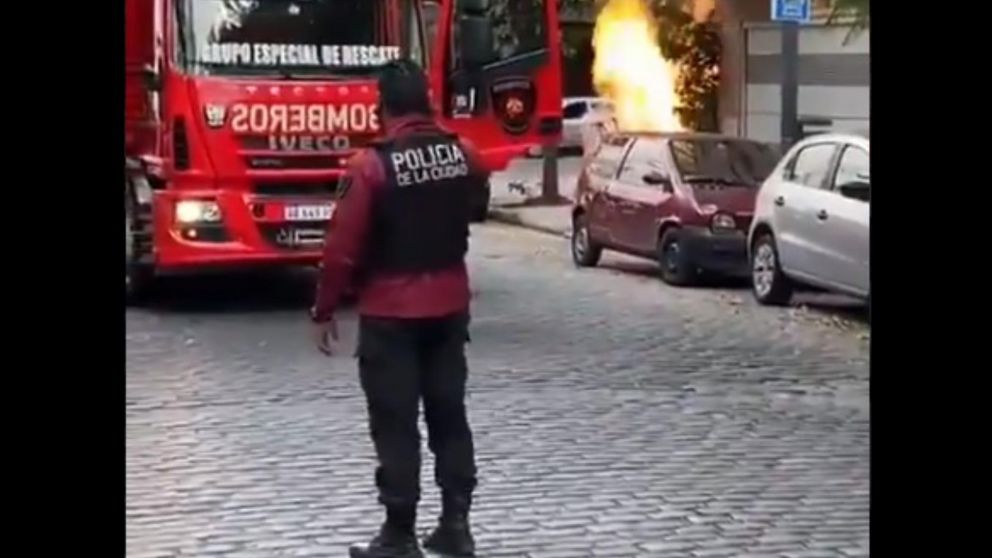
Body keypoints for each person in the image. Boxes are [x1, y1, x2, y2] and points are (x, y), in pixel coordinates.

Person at [309, 59, 486, 558]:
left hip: (391, 315)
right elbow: (476, 188)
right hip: (450, 308)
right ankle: (456, 525)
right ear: (427, 101)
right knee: (450, 416)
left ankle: (398, 535)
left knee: (396, 423)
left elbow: (341, 249)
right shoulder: (462, 153)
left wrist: (323, 310)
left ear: (382, 105)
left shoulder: (371, 166)